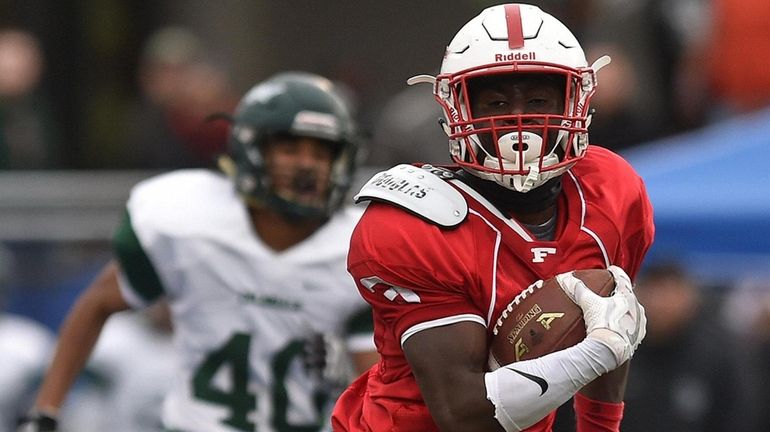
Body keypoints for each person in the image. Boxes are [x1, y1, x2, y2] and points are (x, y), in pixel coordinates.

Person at [331, 4, 653, 432]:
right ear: (457, 109)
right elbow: (461, 414)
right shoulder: (411, 226)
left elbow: (607, 318)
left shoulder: (612, 188)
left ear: (578, 100)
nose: (518, 122)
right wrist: (596, 352)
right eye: (496, 102)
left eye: (539, 100)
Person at [17, 71, 377, 432]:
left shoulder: (357, 248)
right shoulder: (188, 221)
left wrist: (346, 375)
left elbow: (376, 381)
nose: (307, 165)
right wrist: (45, 411)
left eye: (321, 152)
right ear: (249, 149)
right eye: (289, 148)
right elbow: (97, 303)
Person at [620, 262, 758, 431]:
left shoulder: (717, 356)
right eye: (654, 292)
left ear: (690, 298)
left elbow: (737, 416)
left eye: (670, 293)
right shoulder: (619, 352)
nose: (661, 304)